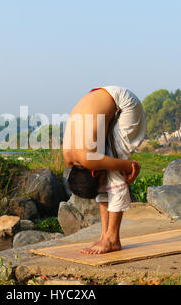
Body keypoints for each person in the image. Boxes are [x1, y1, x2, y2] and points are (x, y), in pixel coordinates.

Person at [63, 86, 147, 254]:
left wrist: (130, 174)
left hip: (124, 104)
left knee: (114, 175)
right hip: (103, 97)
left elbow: (130, 167)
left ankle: (112, 239)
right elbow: (100, 173)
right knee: (108, 171)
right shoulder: (70, 160)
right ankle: (104, 236)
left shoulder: (89, 159)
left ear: (93, 171)